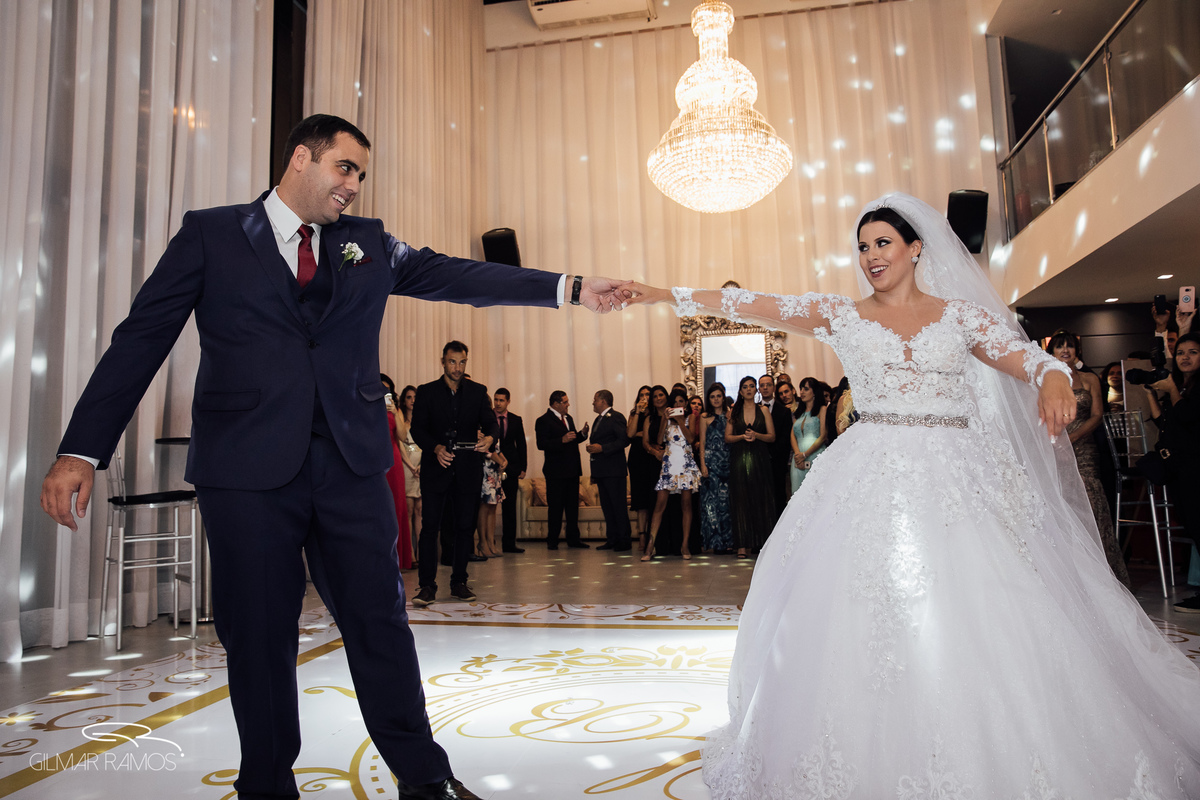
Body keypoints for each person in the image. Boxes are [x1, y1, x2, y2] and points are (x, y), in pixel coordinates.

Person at [39, 114, 631, 800]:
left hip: (350, 467)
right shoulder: (213, 233)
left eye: (361, 174)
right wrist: (81, 450)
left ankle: (423, 777)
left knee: (381, 623)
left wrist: (571, 287)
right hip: (247, 472)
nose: (354, 185)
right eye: (344, 168)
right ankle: (266, 786)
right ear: (300, 159)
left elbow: (455, 276)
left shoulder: (366, 242)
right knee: (258, 637)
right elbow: (140, 338)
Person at [627, 192, 1200, 798]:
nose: (871, 256)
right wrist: (664, 294)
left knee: (984, 605)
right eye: (863, 246)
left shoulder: (958, 317)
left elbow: (1027, 359)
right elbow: (748, 301)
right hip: (865, 472)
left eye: (883, 243)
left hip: (957, 476)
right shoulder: (840, 314)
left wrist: (1055, 376)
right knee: (847, 608)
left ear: (916, 248)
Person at [411, 343, 498, 605]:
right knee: (429, 528)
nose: (457, 368)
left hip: (467, 469)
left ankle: (459, 582)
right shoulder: (426, 392)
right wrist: (435, 447)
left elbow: (491, 422)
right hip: (436, 470)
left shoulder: (478, 391)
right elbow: (418, 429)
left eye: (462, 362)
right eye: (452, 362)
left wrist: (490, 438)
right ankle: (426, 586)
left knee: (463, 528)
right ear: (443, 361)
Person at [1046, 331, 1130, 587]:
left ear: (1077, 351)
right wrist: (1057, 441)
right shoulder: (1046, 380)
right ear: (1051, 352)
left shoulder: (1090, 379)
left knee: (1093, 506)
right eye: (1059, 347)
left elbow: (1096, 415)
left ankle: (1107, 578)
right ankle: (1072, 577)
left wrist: (1072, 439)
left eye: (1070, 346)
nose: (1065, 351)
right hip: (1054, 448)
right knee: (1061, 505)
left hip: (1084, 448)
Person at [1143, 332, 1200, 613]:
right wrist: (1152, 393)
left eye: (1192, 352)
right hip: (1179, 467)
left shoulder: (1194, 388)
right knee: (1192, 525)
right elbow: (1163, 421)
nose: (1185, 358)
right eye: (1180, 353)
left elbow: (1189, 417)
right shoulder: (1181, 385)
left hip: (1195, 466)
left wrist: (1173, 390)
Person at [643, 389, 700, 561]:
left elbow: (690, 439)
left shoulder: (691, 418)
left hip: (685, 464)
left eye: (681, 402)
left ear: (686, 404)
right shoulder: (665, 418)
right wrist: (665, 421)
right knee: (659, 505)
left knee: (686, 504)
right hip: (668, 464)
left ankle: (684, 545)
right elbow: (659, 441)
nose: (677, 405)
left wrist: (681, 421)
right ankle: (650, 546)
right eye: (674, 403)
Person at [724, 375, 776, 558]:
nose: (748, 389)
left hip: (760, 459)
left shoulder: (764, 410)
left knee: (761, 498)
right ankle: (742, 545)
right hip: (739, 460)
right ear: (740, 391)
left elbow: (772, 436)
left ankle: (762, 542)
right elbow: (727, 437)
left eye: (752, 386)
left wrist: (756, 435)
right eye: (745, 386)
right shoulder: (734, 412)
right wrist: (742, 437)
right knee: (740, 499)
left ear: (756, 390)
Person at [535, 391, 590, 549]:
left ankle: (573, 540)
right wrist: (561, 440)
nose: (568, 405)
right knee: (556, 508)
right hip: (556, 472)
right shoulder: (543, 420)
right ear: (556, 403)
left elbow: (572, 439)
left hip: (572, 470)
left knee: (573, 507)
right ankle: (552, 540)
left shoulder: (568, 418)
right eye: (565, 402)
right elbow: (541, 444)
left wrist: (582, 434)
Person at [586, 390, 632, 551]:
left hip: (614, 471)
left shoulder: (616, 417)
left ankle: (624, 541)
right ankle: (612, 539)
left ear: (603, 401)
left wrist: (602, 448)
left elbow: (624, 440)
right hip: (602, 471)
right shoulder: (597, 420)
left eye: (595, 400)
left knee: (618, 506)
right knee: (607, 507)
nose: (593, 403)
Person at [381, 373, 413, 570]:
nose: (385, 392)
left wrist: (394, 413)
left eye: (388, 389)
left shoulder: (396, 409)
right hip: (374, 459)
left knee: (397, 507)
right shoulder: (367, 407)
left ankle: (398, 558)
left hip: (393, 461)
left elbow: (402, 436)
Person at [698, 382, 734, 554]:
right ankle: (716, 542)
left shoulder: (730, 415)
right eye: (712, 397)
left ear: (724, 396)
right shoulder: (704, 417)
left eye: (719, 396)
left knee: (726, 504)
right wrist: (703, 465)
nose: (716, 399)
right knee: (711, 505)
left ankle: (729, 541)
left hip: (728, 463)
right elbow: (702, 443)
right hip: (711, 464)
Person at [493, 388, 527, 554]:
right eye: (496, 400)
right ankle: (487, 543)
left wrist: (523, 468)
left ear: (508, 401)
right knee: (488, 507)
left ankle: (509, 544)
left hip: (511, 468)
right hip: (490, 467)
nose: (498, 403)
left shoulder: (515, 419)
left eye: (501, 400)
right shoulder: (487, 417)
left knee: (509, 508)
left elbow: (521, 444)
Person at [625, 385, 657, 544]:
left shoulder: (655, 414)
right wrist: (638, 411)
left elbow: (654, 435)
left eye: (647, 395)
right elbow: (630, 434)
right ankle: (642, 535)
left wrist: (641, 434)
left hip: (651, 456)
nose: (644, 398)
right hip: (637, 457)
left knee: (653, 496)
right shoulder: (634, 414)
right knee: (640, 499)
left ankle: (653, 535)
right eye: (641, 395)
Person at [759, 373, 792, 517]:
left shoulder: (784, 410)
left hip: (777, 462)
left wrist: (772, 454)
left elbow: (785, 438)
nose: (765, 388)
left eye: (768, 385)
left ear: (773, 387)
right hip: (758, 461)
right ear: (759, 389)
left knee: (779, 499)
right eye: (762, 385)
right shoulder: (753, 409)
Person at [396, 384, 422, 565]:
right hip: (407, 467)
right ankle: (409, 553)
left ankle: (423, 553)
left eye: (415, 398)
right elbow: (399, 444)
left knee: (420, 510)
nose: (412, 401)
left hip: (422, 468)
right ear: (404, 401)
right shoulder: (401, 421)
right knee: (409, 510)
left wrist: (421, 465)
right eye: (409, 398)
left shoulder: (422, 420)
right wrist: (411, 465)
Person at [789, 376, 828, 495]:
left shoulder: (822, 409)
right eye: (801, 389)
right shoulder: (799, 412)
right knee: (797, 494)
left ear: (814, 392)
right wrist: (798, 455)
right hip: (798, 459)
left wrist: (805, 454)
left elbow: (823, 436)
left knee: (816, 494)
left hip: (816, 456)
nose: (801, 392)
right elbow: (792, 435)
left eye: (805, 389)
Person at [476, 425, 506, 559]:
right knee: (484, 507)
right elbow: (486, 451)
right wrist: (499, 460)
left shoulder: (492, 428)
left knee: (493, 507)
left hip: (494, 471)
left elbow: (497, 449)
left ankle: (491, 541)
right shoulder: (479, 429)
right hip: (484, 470)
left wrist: (504, 460)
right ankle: (482, 543)